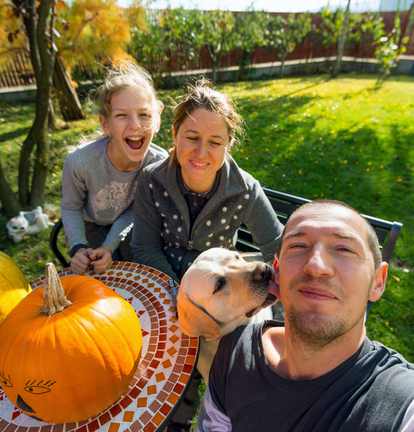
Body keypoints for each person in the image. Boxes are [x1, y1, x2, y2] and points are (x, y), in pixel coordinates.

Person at [197, 200, 414, 432]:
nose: (316, 265)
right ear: (276, 270)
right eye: (298, 246)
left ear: (378, 282)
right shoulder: (234, 352)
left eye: (343, 249)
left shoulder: (405, 407)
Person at [130, 79, 284, 431]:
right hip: (167, 290)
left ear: (229, 144)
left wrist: (285, 296)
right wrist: (180, 294)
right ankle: (176, 417)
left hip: (221, 296)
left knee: (219, 365)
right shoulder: (153, 180)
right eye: (191, 137)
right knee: (166, 363)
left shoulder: (244, 189)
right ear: (173, 133)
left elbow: (276, 246)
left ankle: (221, 409)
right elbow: (145, 247)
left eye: (215, 142)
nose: (201, 152)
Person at [60, 61, 168, 275]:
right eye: (122, 115)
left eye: (145, 114)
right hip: (89, 223)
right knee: (96, 271)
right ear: (105, 124)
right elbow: (71, 207)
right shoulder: (80, 162)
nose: (136, 125)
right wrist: (78, 247)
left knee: (136, 270)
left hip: (130, 221)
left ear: (156, 122)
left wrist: (110, 245)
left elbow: (135, 210)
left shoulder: (157, 163)